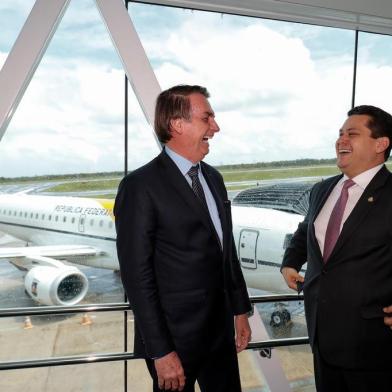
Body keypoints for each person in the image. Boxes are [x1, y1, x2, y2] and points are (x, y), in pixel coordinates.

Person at [114, 84, 251, 392]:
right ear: (177, 124)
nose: (215, 127)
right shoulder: (140, 186)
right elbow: (137, 276)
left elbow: (225, 253)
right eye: (207, 118)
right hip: (174, 341)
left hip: (220, 334)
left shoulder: (213, 178)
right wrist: (160, 350)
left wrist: (241, 311)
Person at [281, 105, 392, 392]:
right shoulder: (323, 189)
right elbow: (306, 230)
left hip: (373, 346)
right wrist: (290, 262)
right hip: (322, 338)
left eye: (352, 134)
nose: (341, 140)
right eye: (340, 134)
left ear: (381, 144)